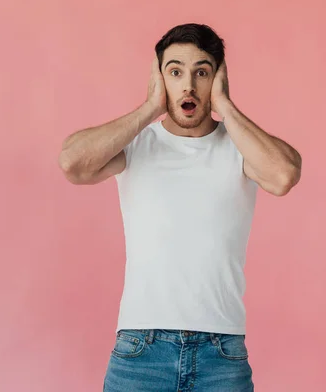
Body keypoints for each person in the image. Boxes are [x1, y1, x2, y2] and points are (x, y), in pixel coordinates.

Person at [58, 23, 301, 392]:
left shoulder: (240, 148)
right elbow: (72, 163)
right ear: (160, 79)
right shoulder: (137, 145)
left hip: (222, 355)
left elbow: (284, 175)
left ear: (218, 79)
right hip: (142, 351)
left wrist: (225, 107)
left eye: (201, 72)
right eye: (175, 72)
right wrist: (150, 107)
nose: (188, 85)